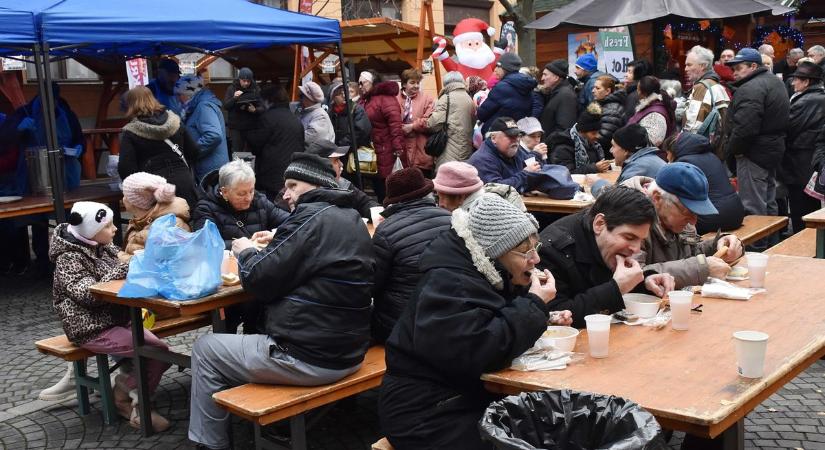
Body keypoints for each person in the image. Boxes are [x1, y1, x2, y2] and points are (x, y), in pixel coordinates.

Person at [188, 153, 374, 450]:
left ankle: (210, 444)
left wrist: (246, 250)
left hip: (310, 357)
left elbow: (260, 280)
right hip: (350, 349)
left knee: (205, 348)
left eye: (292, 185)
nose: (285, 194)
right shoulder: (349, 217)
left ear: (314, 185)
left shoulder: (309, 218)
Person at [380, 194, 570, 449]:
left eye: (536, 248)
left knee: (555, 427)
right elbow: (480, 350)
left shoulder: (483, 275)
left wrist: (541, 315)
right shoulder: (450, 283)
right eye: (525, 251)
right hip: (427, 414)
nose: (535, 260)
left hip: (463, 396)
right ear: (495, 253)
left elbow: (489, 322)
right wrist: (534, 304)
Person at [51, 201, 171, 431]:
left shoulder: (101, 245)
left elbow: (123, 260)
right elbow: (87, 294)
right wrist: (127, 266)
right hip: (90, 328)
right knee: (155, 353)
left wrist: (139, 258)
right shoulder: (68, 258)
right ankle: (135, 404)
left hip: (119, 319)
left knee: (159, 351)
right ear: (91, 231)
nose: (115, 229)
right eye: (108, 226)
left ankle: (124, 390)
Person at [538, 187, 675, 328]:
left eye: (640, 240)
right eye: (629, 237)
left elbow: (607, 285)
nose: (636, 249)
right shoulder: (551, 251)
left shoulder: (607, 246)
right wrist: (616, 289)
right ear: (599, 224)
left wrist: (646, 282)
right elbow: (554, 314)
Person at [620, 163, 743, 289]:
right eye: (687, 212)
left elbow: (691, 254)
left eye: (696, 213)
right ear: (657, 198)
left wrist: (719, 244)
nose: (693, 221)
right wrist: (700, 268)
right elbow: (633, 276)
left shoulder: (675, 217)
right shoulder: (629, 216)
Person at [371, 168, 451, 343]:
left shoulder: (386, 230)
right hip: (450, 316)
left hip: (400, 324)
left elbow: (372, 284)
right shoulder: (452, 219)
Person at [721, 48, 789, 228]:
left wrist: (732, 152)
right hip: (770, 150)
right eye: (732, 69)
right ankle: (771, 244)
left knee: (754, 207)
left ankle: (757, 250)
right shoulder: (774, 82)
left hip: (754, 153)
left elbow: (745, 130)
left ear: (753, 66)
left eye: (738, 68)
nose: (734, 73)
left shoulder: (750, 88)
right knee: (768, 202)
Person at [118, 86, 201, 212]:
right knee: (188, 224)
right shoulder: (175, 122)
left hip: (153, 189)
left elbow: (126, 169)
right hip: (184, 181)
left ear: (130, 105)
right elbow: (194, 151)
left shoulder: (130, 132)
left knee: (161, 227)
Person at [192, 160, 289, 251]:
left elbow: (293, 221)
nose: (249, 198)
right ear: (224, 192)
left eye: (251, 191)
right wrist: (242, 245)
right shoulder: (206, 209)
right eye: (241, 194)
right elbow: (205, 244)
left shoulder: (259, 200)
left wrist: (274, 234)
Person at [662, 133, 744, 234]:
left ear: (673, 150)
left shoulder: (683, 164)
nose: (667, 157)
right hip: (737, 213)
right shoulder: (712, 156)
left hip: (715, 218)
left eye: (667, 152)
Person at [782, 61, 825, 232]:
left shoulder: (805, 101)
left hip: (800, 160)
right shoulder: (819, 97)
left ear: (806, 82)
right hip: (811, 159)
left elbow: (787, 128)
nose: (793, 83)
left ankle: (804, 243)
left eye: (796, 80)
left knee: (801, 206)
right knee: (812, 202)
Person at [245, 84, 305, 200]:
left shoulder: (267, 118)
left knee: (274, 208)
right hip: (293, 173)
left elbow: (256, 144)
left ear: (269, 100)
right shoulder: (295, 119)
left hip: (271, 175)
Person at [119, 172, 191, 262]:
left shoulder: (165, 227)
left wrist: (119, 257)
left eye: (125, 194)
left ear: (134, 202)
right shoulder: (143, 221)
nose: (123, 198)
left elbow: (147, 264)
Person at [359, 70, 406, 203]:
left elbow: (395, 124)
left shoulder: (385, 99)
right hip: (374, 150)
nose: (360, 86)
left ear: (372, 82)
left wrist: (398, 147)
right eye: (359, 83)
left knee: (387, 188)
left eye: (362, 83)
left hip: (387, 149)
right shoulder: (365, 100)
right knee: (378, 187)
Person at [305, 139, 378, 219]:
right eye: (336, 161)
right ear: (322, 166)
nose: (341, 164)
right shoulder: (306, 192)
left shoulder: (343, 184)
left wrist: (378, 213)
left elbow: (364, 202)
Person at [175, 75, 229, 181]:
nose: (178, 98)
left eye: (179, 94)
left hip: (210, 170)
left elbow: (214, 135)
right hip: (209, 168)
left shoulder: (203, 106)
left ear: (188, 93)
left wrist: (193, 152)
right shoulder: (199, 106)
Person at [468, 117, 539, 193]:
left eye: (518, 135)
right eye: (511, 136)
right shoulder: (482, 159)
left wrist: (538, 156)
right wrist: (525, 174)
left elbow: (534, 168)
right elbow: (496, 189)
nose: (516, 140)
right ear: (493, 138)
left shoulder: (515, 150)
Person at [476, 53, 537, 135]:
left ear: (506, 68)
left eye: (498, 66)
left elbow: (482, 114)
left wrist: (477, 108)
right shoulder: (527, 86)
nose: (495, 70)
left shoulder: (502, 87)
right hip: (516, 133)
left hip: (497, 134)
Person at [426, 71, 476, 168]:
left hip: (449, 150)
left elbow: (433, 124)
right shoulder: (469, 98)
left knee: (447, 179)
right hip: (466, 148)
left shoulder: (446, 98)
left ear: (446, 83)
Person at [548, 104, 610, 174]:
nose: (598, 136)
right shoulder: (563, 147)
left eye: (598, 132)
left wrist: (605, 165)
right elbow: (566, 174)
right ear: (581, 132)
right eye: (593, 133)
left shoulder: (593, 145)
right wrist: (594, 168)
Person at [682, 45, 730, 135]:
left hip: (700, 146)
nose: (686, 69)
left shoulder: (702, 87)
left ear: (703, 66)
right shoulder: (716, 84)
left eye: (689, 65)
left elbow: (692, 129)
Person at [397, 69, 435, 176]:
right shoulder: (396, 99)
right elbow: (392, 120)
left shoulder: (427, 99)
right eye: (412, 82)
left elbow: (430, 119)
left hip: (421, 151)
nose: (416, 86)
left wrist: (413, 126)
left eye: (418, 83)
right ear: (404, 84)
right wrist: (401, 127)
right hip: (402, 150)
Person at [626, 76, 676, 147]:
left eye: (638, 89)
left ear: (643, 93)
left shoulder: (656, 115)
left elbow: (653, 142)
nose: (637, 92)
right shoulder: (650, 106)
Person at [222, 67, 262, 155]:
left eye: (248, 81)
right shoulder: (232, 88)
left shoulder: (256, 89)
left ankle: (250, 168)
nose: (246, 83)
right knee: (237, 152)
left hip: (251, 127)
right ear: (239, 79)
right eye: (244, 81)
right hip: (236, 127)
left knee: (251, 152)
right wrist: (234, 98)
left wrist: (255, 110)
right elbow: (226, 106)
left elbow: (263, 107)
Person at [537, 59, 577, 137]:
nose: (542, 78)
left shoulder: (566, 96)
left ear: (556, 77)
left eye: (545, 75)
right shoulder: (556, 93)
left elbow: (564, 128)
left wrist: (548, 143)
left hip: (556, 146)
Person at [328, 80, 372, 150]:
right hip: (337, 151)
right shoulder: (330, 112)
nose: (343, 95)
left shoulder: (356, 109)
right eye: (339, 93)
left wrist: (341, 144)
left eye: (344, 92)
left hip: (354, 151)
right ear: (333, 97)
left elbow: (361, 131)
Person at [592, 75, 626, 150]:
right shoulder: (601, 104)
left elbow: (604, 137)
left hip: (607, 154)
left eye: (597, 88)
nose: (593, 91)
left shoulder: (612, 110)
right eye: (594, 87)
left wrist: (586, 140)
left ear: (607, 91)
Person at [297, 81, 335, 146]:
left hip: (319, 155)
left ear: (309, 98)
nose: (299, 99)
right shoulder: (306, 113)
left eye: (301, 96)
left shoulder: (320, 115)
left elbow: (312, 137)